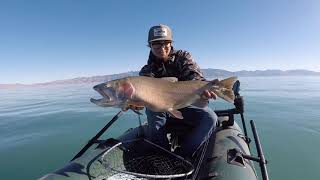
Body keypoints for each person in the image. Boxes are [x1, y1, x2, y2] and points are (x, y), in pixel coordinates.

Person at [137, 24, 218, 158]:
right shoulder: (146, 71)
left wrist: (204, 92)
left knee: (210, 118)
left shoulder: (183, 57)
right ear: (150, 46)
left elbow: (195, 78)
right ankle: (162, 155)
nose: (162, 47)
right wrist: (135, 103)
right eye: (156, 44)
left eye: (166, 43)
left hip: (186, 105)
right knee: (153, 111)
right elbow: (143, 98)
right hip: (161, 111)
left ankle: (183, 156)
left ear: (171, 43)